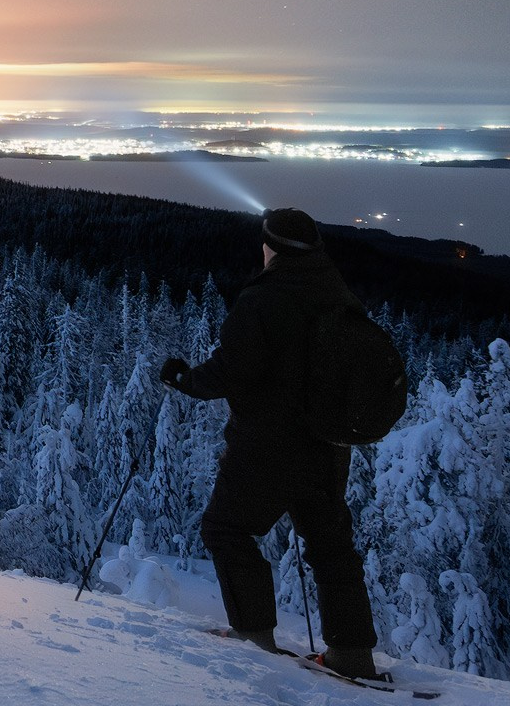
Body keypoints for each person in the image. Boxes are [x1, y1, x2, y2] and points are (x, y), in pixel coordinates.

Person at [158, 207, 381, 680]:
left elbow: (231, 370)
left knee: (225, 528)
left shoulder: (263, 299)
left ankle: (254, 635)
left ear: (271, 248)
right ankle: (352, 654)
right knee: (330, 547)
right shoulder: (336, 293)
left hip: (267, 447)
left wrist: (183, 380)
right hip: (328, 447)